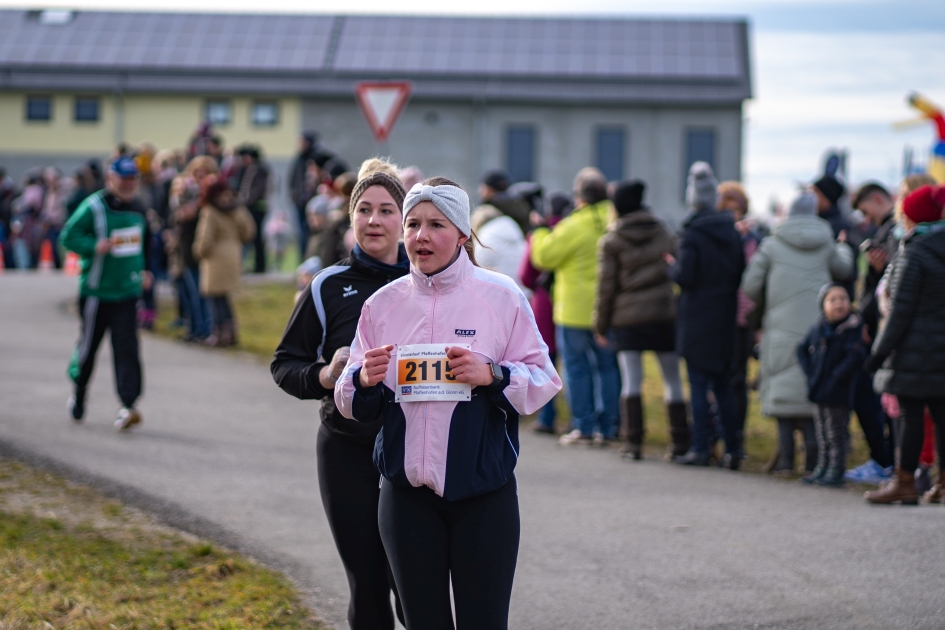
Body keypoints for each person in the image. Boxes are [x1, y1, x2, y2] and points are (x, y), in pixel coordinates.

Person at [334, 177, 561, 630]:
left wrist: (493, 375)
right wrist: (363, 379)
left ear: (462, 234)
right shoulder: (383, 304)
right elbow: (346, 395)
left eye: (435, 224)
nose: (421, 236)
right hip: (406, 499)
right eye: (413, 224)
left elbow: (543, 382)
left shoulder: (500, 296)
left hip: (483, 496)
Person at [272, 158, 411, 629]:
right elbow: (284, 364)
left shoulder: (429, 283)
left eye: (387, 210)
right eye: (364, 210)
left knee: (413, 583)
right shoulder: (328, 285)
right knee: (368, 581)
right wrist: (324, 377)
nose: (375, 221)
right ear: (350, 217)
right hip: (347, 448)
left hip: (416, 451)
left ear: (403, 218)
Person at [742, 191, 853, 474]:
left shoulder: (772, 245)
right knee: (812, 388)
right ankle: (813, 461)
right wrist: (844, 248)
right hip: (818, 328)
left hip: (780, 325)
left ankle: (786, 461)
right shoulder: (827, 243)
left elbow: (751, 287)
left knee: (782, 390)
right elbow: (845, 269)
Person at [593, 180, 688, 460]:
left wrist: (600, 325)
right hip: (663, 313)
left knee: (632, 380)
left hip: (627, 318)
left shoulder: (612, 239)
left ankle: (633, 442)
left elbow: (605, 287)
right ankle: (680, 442)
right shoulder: (664, 231)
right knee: (673, 380)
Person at [864, 184, 945, 505]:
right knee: (942, 416)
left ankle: (905, 482)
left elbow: (899, 311)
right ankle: (942, 485)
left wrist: (877, 354)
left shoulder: (914, 253)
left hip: (914, 351)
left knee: (911, 416)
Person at [59, 157, 152, 430]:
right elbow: (68, 236)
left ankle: (128, 405)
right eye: (123, 178)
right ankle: (79, 393)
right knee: (88, 348)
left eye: (133, 179)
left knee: (127, 350)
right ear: (111, 179)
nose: (128, 184)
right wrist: (93, 245)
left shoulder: (139, 209)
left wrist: (145, 271)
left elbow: (145, 245)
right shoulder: (94, 207)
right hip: (97, 293)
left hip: (127, 291)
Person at [531, 168, 620, 445]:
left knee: (577, 368)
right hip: (610, 309)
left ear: (579, 197)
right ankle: (610, 427)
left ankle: (584, 426)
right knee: (608, 368)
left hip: (573, 310)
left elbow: (543, 257)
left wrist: (540, 230)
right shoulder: (614, 220)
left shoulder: (573, 225)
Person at [669, 162, 745, 468]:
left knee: (699, 385)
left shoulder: (692, 233)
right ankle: (734, 449)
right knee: (723, 384)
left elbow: (686, 276)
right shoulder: (732, 231)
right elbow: (740, 269)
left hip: (697, 316)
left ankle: (700, 447)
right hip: (724, 314)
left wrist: (670, 267)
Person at [843, 182, 900, 484]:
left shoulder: (895, 232)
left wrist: (878, 270)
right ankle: (888, 460)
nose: (866, 219)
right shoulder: (887, 231)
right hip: (878, 327)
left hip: (887, 332)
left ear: (877, 200)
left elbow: (891, 286)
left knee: (876, 396)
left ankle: (887, 461)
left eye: (866, 211)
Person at [796, 284, 867, 487]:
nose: (839, 303)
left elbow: (855, 357)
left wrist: (837, 377)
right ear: (823, 305)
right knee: (822, 432)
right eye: (833, 299)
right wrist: (810, 373)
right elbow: (800, 349)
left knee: (836, 432)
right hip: (818, 389)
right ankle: (822, 467)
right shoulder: (818, 328)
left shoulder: (852, 328)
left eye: (843, 299)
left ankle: (836, 470)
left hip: (839, 392)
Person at [519, 191, 572, 434]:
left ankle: (548, 417)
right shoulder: (574, 230)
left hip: (545, 303)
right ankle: (582, 420)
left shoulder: (542, 235)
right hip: (573, 302)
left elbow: (527, 275)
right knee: (578, 364)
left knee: (548, 361)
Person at [717, 181, 761, 453]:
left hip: (742, 318)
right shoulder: (717, 237)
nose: (732, 215)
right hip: (719, 318)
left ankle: (737, 437)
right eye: (727, 209)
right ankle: (719, 434)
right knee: (718, 380)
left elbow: (752, 281)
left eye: (736, 209)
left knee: (738, 379)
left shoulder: (751, 239)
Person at [193, 178, 256, 347]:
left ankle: (219, 333)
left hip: (215, 258)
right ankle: (230, 333)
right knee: (225, 297)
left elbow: (205, 239)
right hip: (233, 254)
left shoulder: (211, 211)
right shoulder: (237, 208)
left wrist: (198, 252)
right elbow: (249, 230)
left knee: (215, 298)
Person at [236, 146, 270, 273]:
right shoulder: (256, 168)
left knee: (256, 237)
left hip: (256, 208)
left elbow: (255, 190)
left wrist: (245, 202)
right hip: (256, 207)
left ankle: (260, 266)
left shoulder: (257, 169)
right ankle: (258, 265)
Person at [475, 168, 532, 235]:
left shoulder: (488, 210)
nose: (479, 191)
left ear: (490, 189)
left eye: (483, 187)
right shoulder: (517, 204)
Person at [290, 131, 319, 259]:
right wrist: (295, 196)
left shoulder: (315, 158)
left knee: (311, 233)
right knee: (301, 233)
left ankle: (310, 258)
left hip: (313, 204)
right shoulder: (298, 160)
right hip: (300, 203)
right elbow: (292, 180)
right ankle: (303, 259)